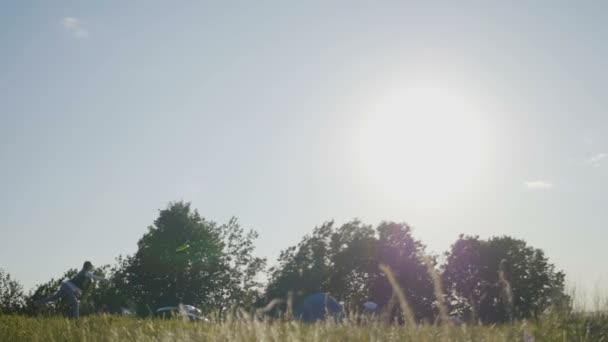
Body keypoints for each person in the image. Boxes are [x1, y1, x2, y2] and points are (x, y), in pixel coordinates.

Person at [35, 261, 105, 318]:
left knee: (53, 298)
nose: (91, 267)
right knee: (75, 303)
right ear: (87, 266)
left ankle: (37, 303)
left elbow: (88, 280)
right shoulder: (86, 273)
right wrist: (104, 278)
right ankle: (76, 321)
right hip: (68, 287)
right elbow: (95, 277)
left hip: (66, 285)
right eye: (90, 266)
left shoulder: (85, 273)